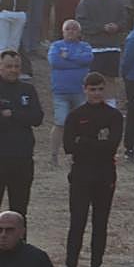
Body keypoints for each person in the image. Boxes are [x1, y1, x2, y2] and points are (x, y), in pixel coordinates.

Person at [56, 70, 122, 267]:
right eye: (92, 89)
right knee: (77, 221)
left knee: (100, 222)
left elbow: (111, 145)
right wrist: (94, 143)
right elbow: (69, 146)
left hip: (104, 175)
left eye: (100, 89)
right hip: (81, 174)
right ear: (85, 90)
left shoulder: (113, 116)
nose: (96, 93)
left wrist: (84, 142)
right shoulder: (75, 115)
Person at [0, 49, 43, 218]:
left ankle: (20, 244)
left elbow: (37, 117)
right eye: (9, 66)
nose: (13, 70)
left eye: (17, 66)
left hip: (22, 158)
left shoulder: (28, 89)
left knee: (19, 210)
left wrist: (12, 114)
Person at [47, 19, 93, 167]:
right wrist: (76, 63)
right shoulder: (56, 46)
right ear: (63, 31)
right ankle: (54, 155)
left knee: (80, 124)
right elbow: (55, 62)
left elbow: (88, 59)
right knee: (60, 123)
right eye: (68, 29)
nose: (71, 31)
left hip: (80, 91)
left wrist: (68, 57)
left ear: (79, 32)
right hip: (61, 91)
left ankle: (78, 154)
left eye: (74, 29)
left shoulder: (85, 46)